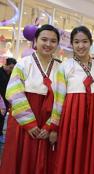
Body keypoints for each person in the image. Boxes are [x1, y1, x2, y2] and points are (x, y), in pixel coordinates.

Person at [0, 24, 61, 174]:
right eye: (44, 39)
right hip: (24, 122)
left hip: (48, 122)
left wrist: (50, 126)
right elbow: (14, 93)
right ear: (36, 41)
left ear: (57, 44)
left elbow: (62, 99)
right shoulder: (23, 64)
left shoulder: (62, 68)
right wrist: (30, 124)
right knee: (20, 160)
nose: (48, 44)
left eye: (53, 41)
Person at [49, 26, 94, 174]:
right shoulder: (65, 66)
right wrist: (54, 127)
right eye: (76, 42)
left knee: (91, 154)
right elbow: (59, 99)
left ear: (91, 43)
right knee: (71, 153)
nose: (81, 46)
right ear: (71, 44)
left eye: (85, 41)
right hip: (72, 118)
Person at [0, 57, 17, 143]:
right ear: (5, 65)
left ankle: (0, 134)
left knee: (2, 118)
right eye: (10, 67)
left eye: (13, 68)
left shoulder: (12, 75)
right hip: (0, 99)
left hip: (6, 100)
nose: (11, 70)